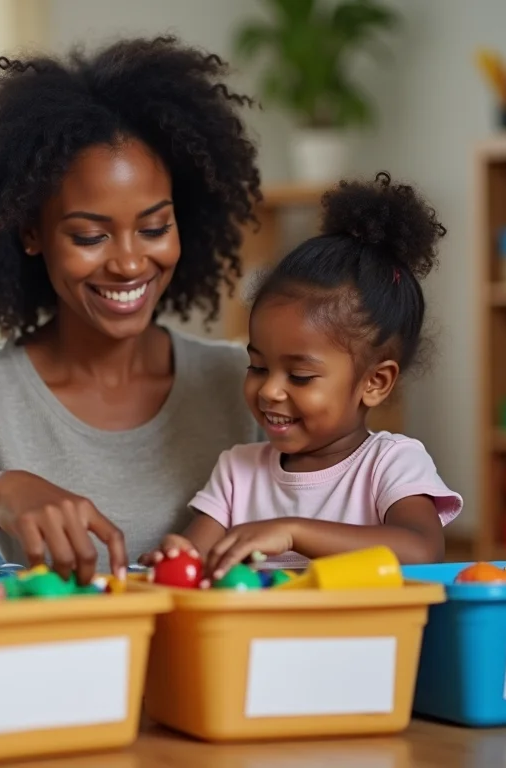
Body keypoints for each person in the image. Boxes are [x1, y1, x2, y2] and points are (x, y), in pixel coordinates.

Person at [0, 36, 264, 583]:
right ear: (31, 233)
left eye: (154, 228)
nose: (129, 263)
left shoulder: (247, 383)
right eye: (90, 236)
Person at [143, 172, 462, 581]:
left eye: (299, 376)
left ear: (375, 382)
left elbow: (422, 551)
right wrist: (175, 558)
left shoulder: (391, 463)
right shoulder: (238, 472)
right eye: (258, 367)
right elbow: (196, 561)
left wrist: (294, 532)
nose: (270, 390)